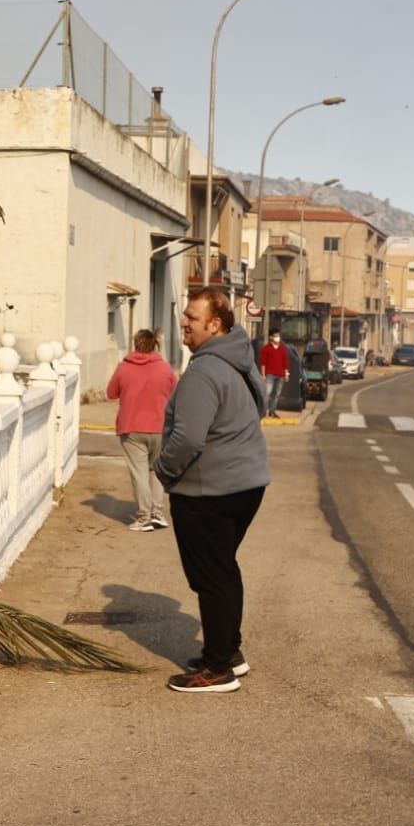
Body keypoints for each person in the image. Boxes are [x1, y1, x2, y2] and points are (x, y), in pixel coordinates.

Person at [155, 288, 270, 694]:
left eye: (192, 316)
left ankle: (217, 668)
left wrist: (163, 470)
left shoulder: (204, 371)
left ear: (215, 324)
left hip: (210, 492)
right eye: (184, 314)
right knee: (223, 569)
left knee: (210, 577)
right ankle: (228, 652)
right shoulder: (239, 361)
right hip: (246, 485)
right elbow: (261, 404)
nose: (184, 321)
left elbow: (187, 439)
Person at [105, 329, 177, 533]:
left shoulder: (124, 367)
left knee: (139, 473)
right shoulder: (164, 368)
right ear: (154, 344)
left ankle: (144, 516)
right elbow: (175, 393)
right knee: (157, 471)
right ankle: (158, 513)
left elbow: (111, 393)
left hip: (132, 427)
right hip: (160, 427)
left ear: (135, 343)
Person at [259, 329, 291, 419]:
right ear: (271, 337)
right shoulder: (266, 349)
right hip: (270, 375)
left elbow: (285, 363)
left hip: (280, 375)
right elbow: (263, 363)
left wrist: (286, 373)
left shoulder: (282, 349)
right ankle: (264, 411)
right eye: (276, 336)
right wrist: (263, 374)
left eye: (278, 336)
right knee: (267, 393)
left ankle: (272, 411)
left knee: (276, 394)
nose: (278, 338)